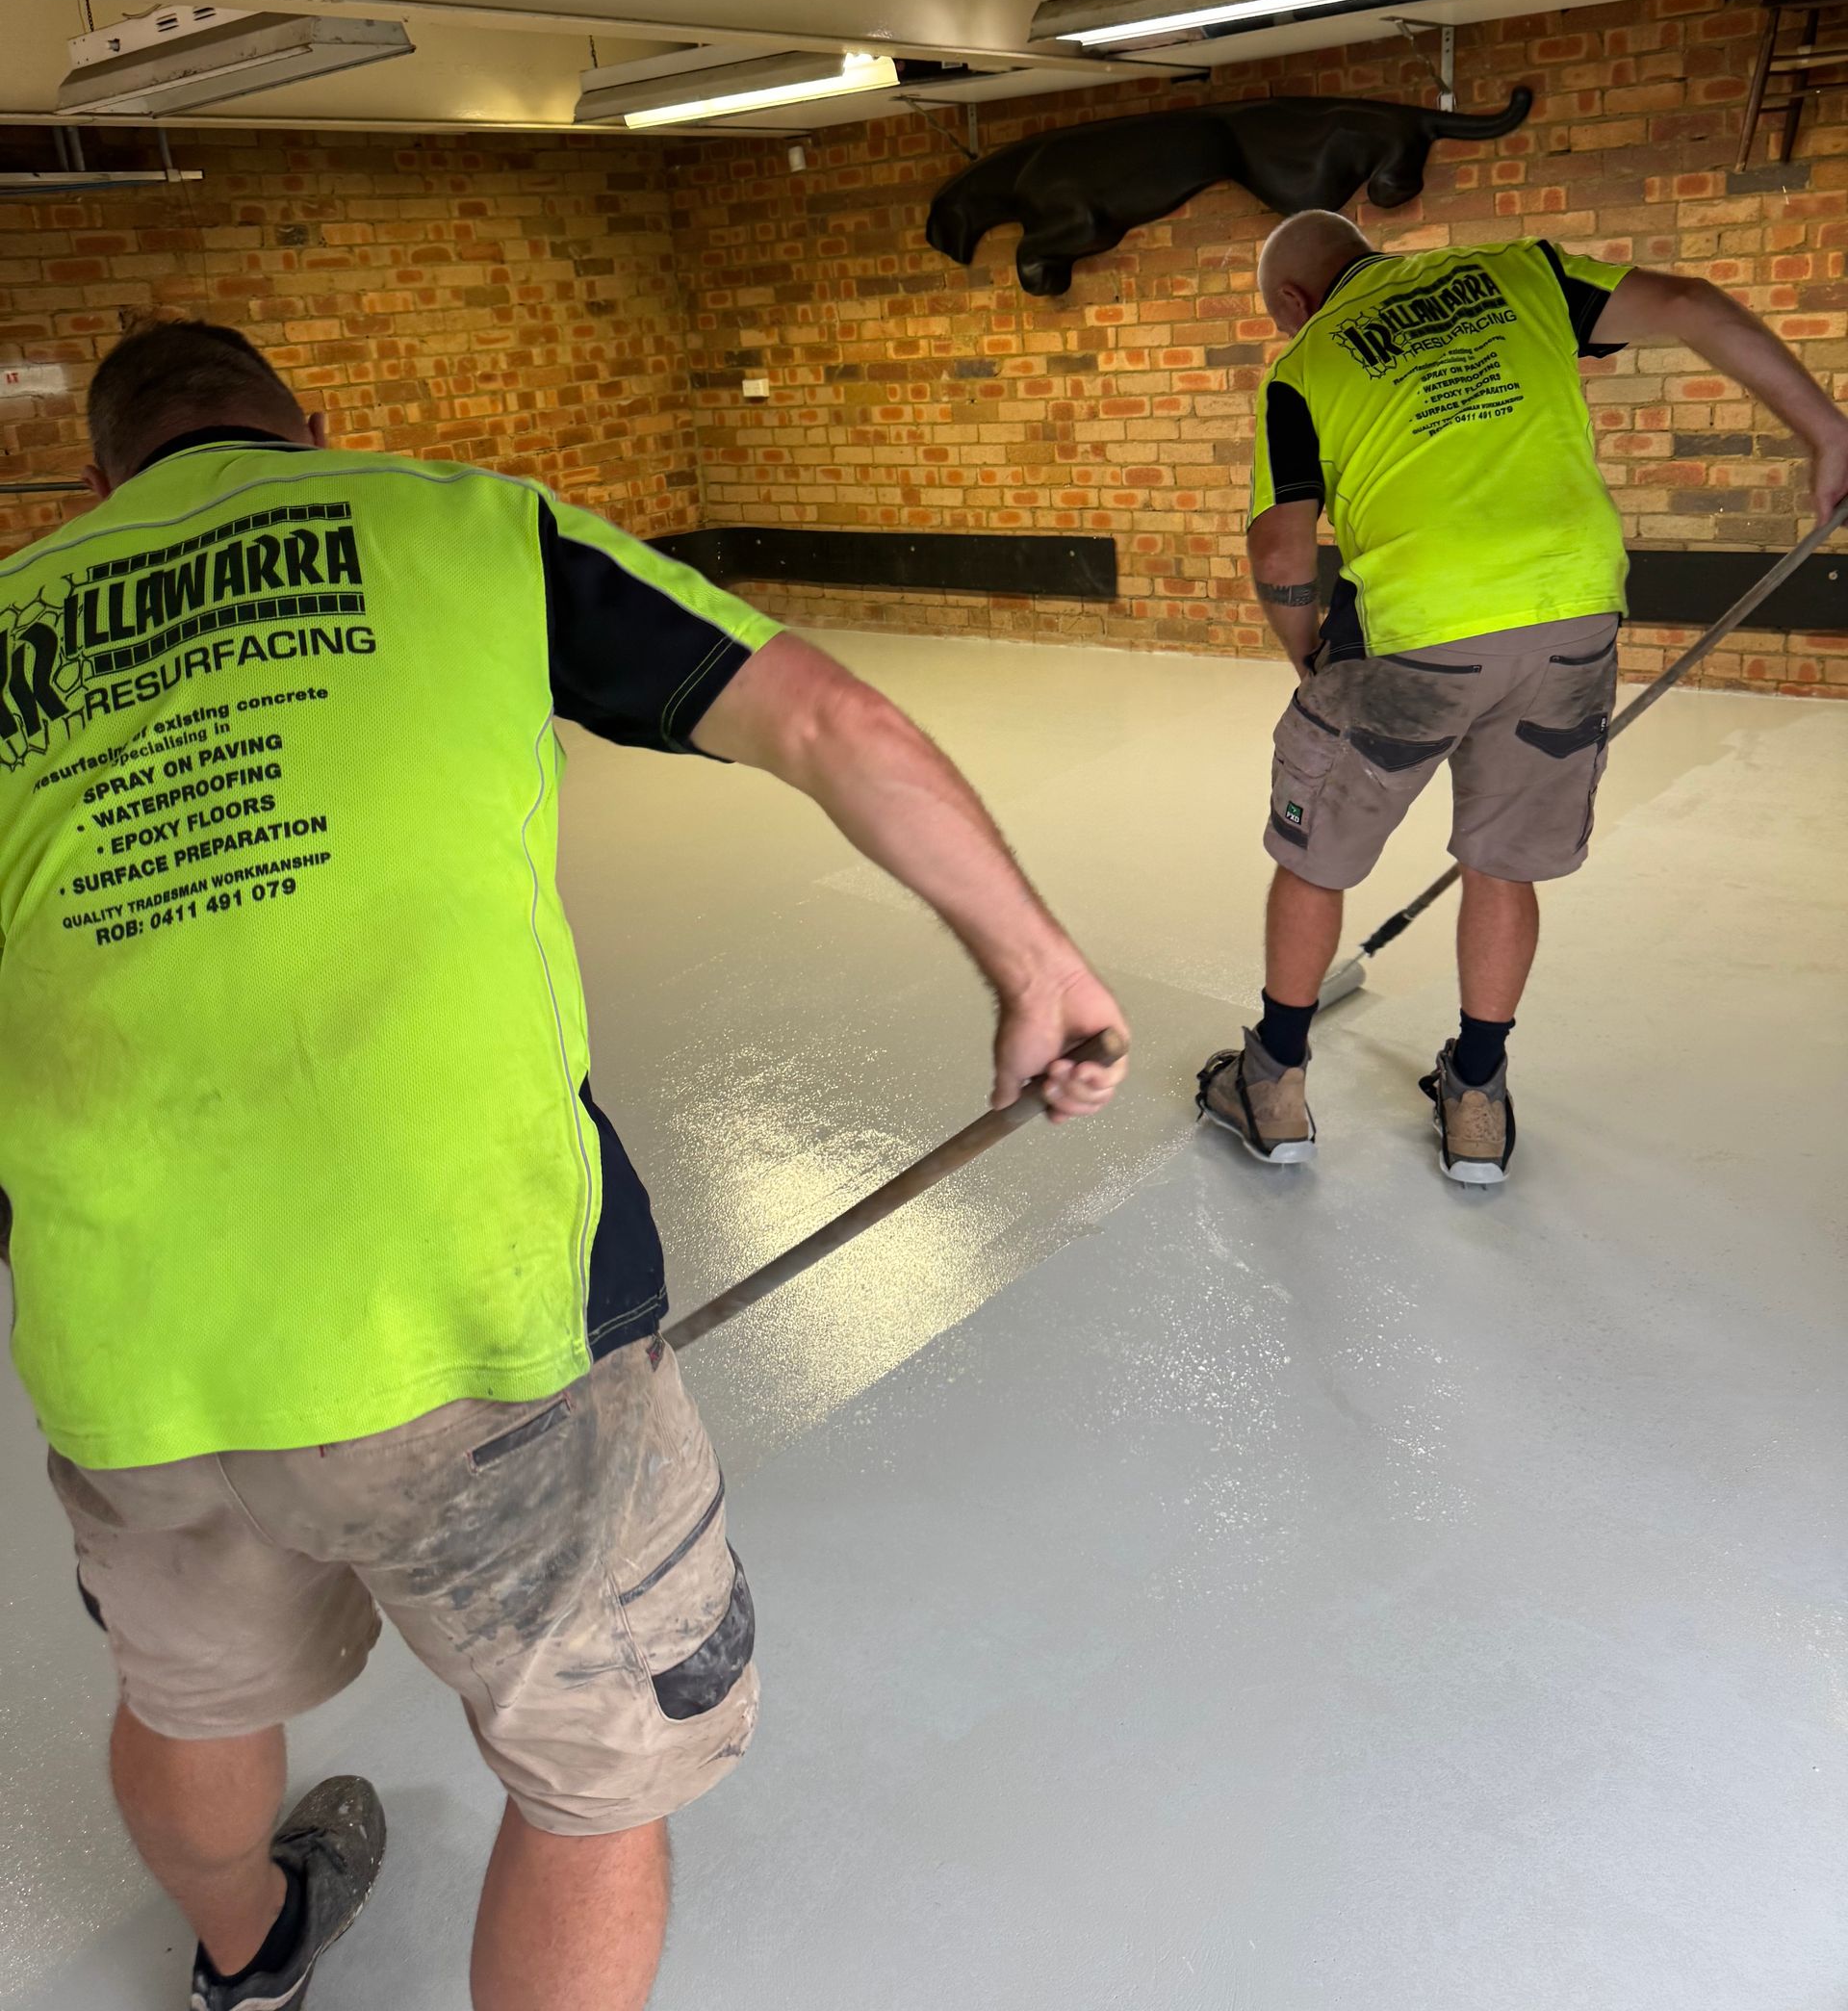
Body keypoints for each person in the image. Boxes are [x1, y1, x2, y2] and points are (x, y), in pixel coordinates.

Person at [0, 320, 1127, 2011]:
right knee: (599, 1779)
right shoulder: (457, 522)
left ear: (93, 481)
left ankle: (250, 1961)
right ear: (312, 426)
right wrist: (1036, 963)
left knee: (193, 1703)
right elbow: (819, 716)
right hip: (473, 1314)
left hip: (127, 1342)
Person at [1196, 210, 1848, 1184]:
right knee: (1503, 863)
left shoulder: (1306, 364)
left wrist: (1311, 663)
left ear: (1294, 301)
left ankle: (1274, 1083)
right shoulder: (1521, 276)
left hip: (1410, 635)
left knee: (1317, 859)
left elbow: (1280, 549)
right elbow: (1690, 303)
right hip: (1570, 615)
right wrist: (1830, 433)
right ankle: (1477, 1103)